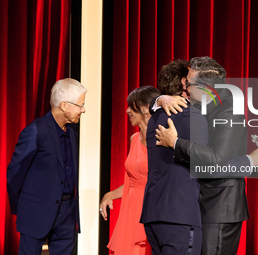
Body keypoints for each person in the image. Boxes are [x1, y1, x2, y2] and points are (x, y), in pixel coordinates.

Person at [155, 56, 258, 255]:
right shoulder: (198, 105)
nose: (186, 88)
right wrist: (160, 98)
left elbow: (216, 161)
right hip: (199, 203)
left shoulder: (229, 113)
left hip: (219, 208)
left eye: (189, 84)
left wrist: (175, 143)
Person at [7, 78, 86, 255]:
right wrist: (22, 208)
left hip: (66, 213)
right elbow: (15, 173)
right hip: (36, 211)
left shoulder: (72, 132)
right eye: (80, 105)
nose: (83, 110)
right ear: (64, 105)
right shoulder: (35, 131)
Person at [140, 59, 209, 255]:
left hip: (154, 214)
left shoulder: (154, 118)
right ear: (183, 83)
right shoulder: (192, 115)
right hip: (180, 215)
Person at [100, 86, 160, 254]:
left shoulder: (162, 140)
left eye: (131, 107)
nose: (127, 111)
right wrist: (110, 195)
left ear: (145, 109)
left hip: (151, 210)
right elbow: (132, 182)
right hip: (130, 213)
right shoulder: (134, 139)